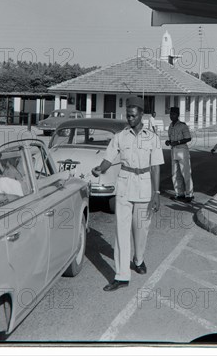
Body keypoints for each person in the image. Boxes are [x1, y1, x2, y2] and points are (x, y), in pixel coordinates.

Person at [91, 96, 164, 292]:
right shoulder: (120, 136)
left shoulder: (152, 137)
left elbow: (156, 167)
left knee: (141, 229)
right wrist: (100, 169)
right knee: (121, 232)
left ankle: (138, 259)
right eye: (128, 115)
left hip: (144, 186)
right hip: (124, 184)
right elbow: (108, 157)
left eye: (133, 115)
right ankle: (122, 276)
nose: (129, 119)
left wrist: (156, 193)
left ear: (141, 115)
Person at [166, 106, 193, 203]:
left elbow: (188, 138)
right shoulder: (170, 126)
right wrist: (168, 142)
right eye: (170, 114)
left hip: (182, 151)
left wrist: (176, 142)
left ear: (178, 115)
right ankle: (179, 194)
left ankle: (189, 194)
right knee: (175, 174)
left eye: (173, 114)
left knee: (185, 173)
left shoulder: (182, 125)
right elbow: (171, 139)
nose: (171, 116)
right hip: (173, 151)